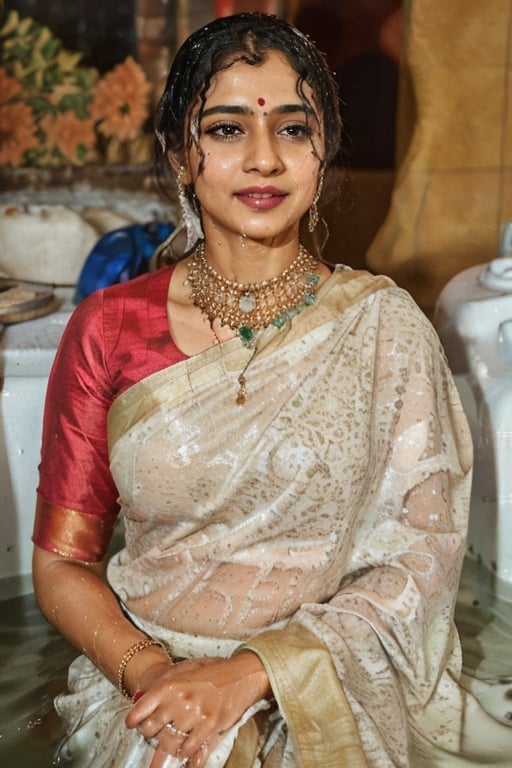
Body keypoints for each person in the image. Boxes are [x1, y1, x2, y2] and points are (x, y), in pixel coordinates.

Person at [31, 11, 484, 768]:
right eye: (229, 129)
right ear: (181, 153)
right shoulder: (109, 331)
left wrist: (253, 673)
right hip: (146, 678)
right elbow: (61, 566)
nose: (265, 160)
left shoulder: (383, 330)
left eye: (294, 129)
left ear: (324, 151)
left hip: (327, 672)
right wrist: (159, 676)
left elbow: (424, 560)